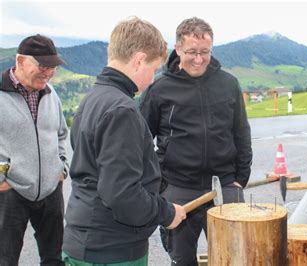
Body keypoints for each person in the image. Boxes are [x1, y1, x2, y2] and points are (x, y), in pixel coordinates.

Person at [62, 17, 186, 265]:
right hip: (111, 251)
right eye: (153, 69)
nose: (151, 80)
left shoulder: (93, 98)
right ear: (139, 60)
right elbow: (121, 194)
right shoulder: (122, 110)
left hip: (83, 240)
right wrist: (167, 212)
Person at [139, 17, 252, 265]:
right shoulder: (159, 89)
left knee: (233, 258)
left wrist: (240, 179)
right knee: (182, 260)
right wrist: (160, 186)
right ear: (178, 49)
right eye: (191, 52)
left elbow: (241, 133)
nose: (198, 59)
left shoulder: (228, 83)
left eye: (205, 52)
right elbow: (141, 142)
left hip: (225, 186)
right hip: (179, 189)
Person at [0, 34, 69, 265]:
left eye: (52, 67)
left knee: (53, 258)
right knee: (5, 259)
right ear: (20, 61)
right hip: (10, 191)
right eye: (42, 65)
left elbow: (61, 133)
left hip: (51, 190)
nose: (48, 72)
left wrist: (61, 167)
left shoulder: (51, 94)